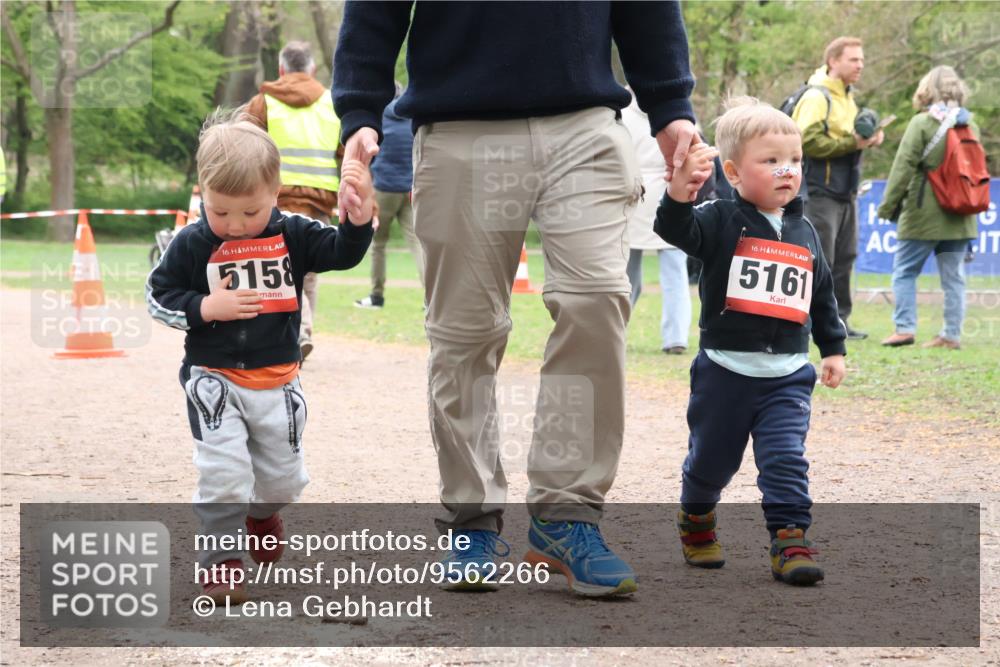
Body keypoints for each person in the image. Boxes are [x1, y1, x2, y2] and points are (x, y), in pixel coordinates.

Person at [333, 1, 705, 597]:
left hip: (583, 123)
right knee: (465, 332)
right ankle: (472, 518)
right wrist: (359, 112)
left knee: (596, 303)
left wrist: (670, 105)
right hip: (460, 126)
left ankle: (566, 514)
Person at [146, 113, 374, 604]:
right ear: (202, 194)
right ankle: (222, 559)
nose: (234, 225)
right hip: (215, 381)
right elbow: (158, 295)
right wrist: (205, 308)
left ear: (275, 192)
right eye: (219, 211)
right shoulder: (192, 242)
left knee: (284, 480)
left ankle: (262, 512)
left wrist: (356, 222)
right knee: (223, 474)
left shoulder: (293, 232)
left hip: (278, 383)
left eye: (249, 212)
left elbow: (341, 252)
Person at [655, 98, 847, 586]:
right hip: (724, 372)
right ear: (735, 172)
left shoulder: (806, 231)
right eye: (771, 161)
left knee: (785, 457)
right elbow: (674, 229)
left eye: (796, 161)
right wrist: (680, 193)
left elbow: (820, 294)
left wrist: (833, 348)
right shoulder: (719, 218)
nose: (787, 171)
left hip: (787, 373)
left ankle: (791, 539)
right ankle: (696, 518)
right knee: (712, 461)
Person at [246, 41, 341, 360]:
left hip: (275, 199)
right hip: (318, 203)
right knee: (307, 272)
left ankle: (295, 334)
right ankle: (300, 333)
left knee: (280, 269)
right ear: (313, 69)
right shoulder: (332, 103)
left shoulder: (263, 103)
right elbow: (347, 157)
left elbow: (243, 150)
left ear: (282, 69)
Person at [878, 66, 980, 350]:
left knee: (905, 271)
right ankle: (951, 334)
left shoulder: (922, 123)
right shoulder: (970, 124)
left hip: (923, 213)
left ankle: (904, 328)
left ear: (927, 90)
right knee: (954, 278)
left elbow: (902, 168)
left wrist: (887, 206)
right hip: (960, 214)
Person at [792, 36, 884, 340]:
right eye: (853, 59)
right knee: (821, 260)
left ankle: (838, 322)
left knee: (846, 258)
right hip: (820, 192)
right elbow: (805, 141)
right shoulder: (818, 96)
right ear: (834, 61)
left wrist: (869, 139)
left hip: (846, 191)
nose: (861, 65)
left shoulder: (848, 97)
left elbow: (848, 137)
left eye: (861, 59)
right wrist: (853, 143)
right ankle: (807, 322)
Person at [621, 93, 691, 354]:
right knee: (674, 275)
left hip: (637, 198)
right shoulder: (679, 116)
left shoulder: (621, 116)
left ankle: (616, 331)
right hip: (667, 196)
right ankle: (676, 337)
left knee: (627, 275)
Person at [355, 82, 424, 309]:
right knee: (418, 244)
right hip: (409, 189)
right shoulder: (412, 119)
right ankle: (431, 298)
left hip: (384, 189)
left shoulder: (379, 120)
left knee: (378, 245)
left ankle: (377, 296)